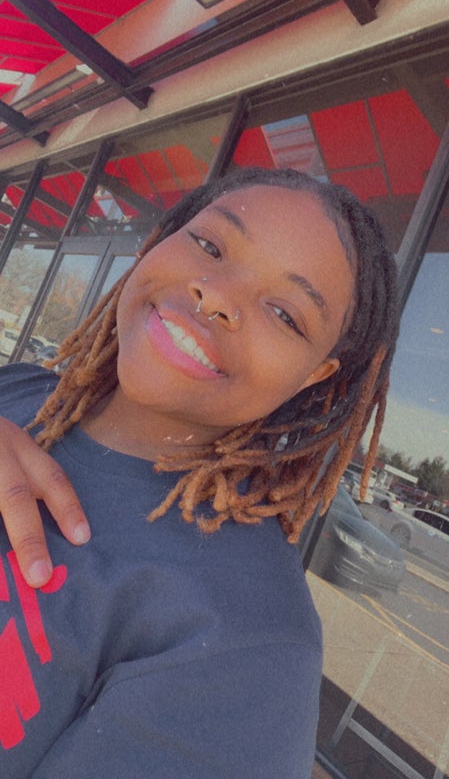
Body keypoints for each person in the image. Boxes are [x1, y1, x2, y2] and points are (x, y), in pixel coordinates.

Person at [0, 167, 398, 778]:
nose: (216, 297)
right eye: (210, 246)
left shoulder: (252, 649)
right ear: (160, 239)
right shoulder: (18, 389)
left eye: (285, 314)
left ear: (315, 375)